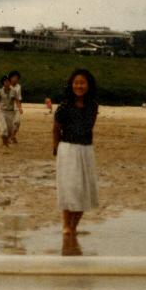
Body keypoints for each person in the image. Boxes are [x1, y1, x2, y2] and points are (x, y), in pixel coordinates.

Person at [52, 68, 99, 237]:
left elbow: (88, 127)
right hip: (68, 150)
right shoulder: (64, 106)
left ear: (89, 85)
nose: (79, 86)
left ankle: (74, 227)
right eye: (76, 82)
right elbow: (56, 128)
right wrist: (56, 147)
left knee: (84, 191)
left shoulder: (93, 106)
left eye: (82, 83)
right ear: (71, 84)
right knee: (69, 189)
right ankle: (66, 226)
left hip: (86, 150)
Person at [0, 74, 18, 147]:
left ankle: (5, 142)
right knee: (4, 129)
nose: (7, 83)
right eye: (5, 82)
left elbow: (17, 100)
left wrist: (19, 108)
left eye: (8, 82)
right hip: (2, 112)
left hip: (10, 112)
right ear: (3, 83)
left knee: (10, 130)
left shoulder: (14, 91)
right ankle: (5, 144)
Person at [6, 69, 25, 143]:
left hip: (16, 107)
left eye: (17, 78)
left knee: (17, 122)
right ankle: (10, 137)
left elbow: (19, 98)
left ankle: (13, 136)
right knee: (9, 124)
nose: (15, 79)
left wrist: (20, 108)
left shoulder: (18, 87)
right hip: (8, 108)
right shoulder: (6, 86)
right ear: (10, 78)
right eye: (14, 77)